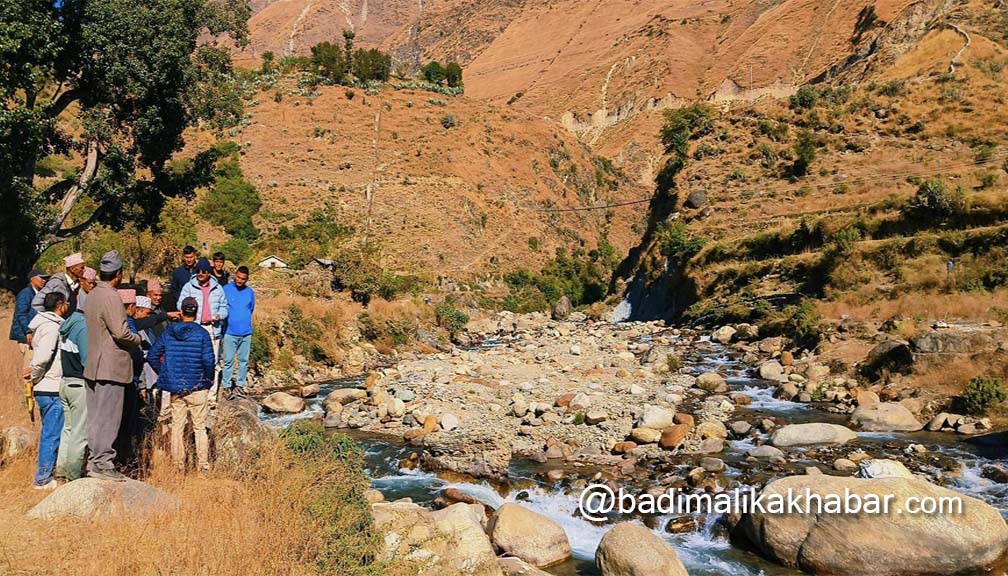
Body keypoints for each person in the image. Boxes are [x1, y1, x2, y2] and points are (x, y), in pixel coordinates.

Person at [83, 250, 141, 481]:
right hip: (111, 366)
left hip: (94, 364)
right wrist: (137, 340)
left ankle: (94, 460)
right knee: (109, 416)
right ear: (118, 274)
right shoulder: (111, 296)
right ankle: (104, 463)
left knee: (96, 416)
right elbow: (121, 332)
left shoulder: (93, 295)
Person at [147, 297, 215, 475]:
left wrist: (165, 374)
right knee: (200, 428)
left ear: (181, 311)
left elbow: (153, 355)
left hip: (176, 388)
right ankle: (203, 468)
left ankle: (178, 468)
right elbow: (209, 361)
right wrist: (208, 381)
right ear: (197, 311)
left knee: (177, 427)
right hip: (198, 385)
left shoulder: (170, 332)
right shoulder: (202, 334)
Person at [25, 292, 69, 489]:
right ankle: (43, 479)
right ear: (60, 305)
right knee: (52, 434)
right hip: (51, 387)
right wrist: (34, 376)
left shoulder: (42, 325)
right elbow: (43, 357)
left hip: (45, 387)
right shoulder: (52, 327)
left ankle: (48, 474)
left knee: (50, 432)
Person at [177, 257, 228, 423]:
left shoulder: (217, 288)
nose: (200, 274)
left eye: (203, 271)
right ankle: (193, 394)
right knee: (193, 361)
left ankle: (211, 397)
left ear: (208, 272)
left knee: (212, 362)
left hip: (212, 329)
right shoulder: (188, 287)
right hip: (193, 328)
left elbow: (225, 307)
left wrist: (220, 315)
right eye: (198, 271)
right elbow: (180, 304)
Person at [56, 294, 89, 482]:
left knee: (68, 430)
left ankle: (61, 471)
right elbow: (87, 360)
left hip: (65, 382)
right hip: (79, 384)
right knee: (80, 432)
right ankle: (74, 474)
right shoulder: (82, 327)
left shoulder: (67, 324)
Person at [221, 266, 255, 399]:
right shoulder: (226, 289)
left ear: (247, 279)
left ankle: (240, 385)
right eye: (238, 277)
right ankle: (227, 387)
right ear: (235, 275)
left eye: (243, 279)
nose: (240, 280)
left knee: (243, 360)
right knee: (228, 361)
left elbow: (251, 308)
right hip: (230, 332)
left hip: (246, 332)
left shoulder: (250, 292)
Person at [10, 269, 47, 375]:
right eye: (41, 278)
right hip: (27, 337)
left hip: (34, 336)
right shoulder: (25, 293)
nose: (44, 281)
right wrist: (28, 332)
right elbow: (21, 314)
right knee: (28, 368)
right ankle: (27, 391)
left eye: (45, 278)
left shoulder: (39, 293)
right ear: (32, 279)